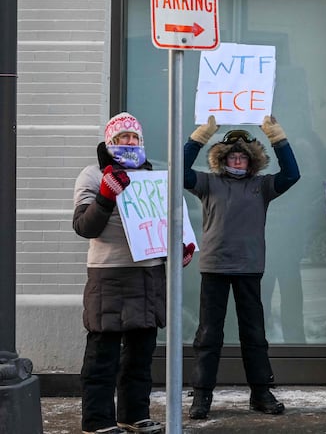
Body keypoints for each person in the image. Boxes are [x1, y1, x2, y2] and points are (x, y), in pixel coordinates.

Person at [184, 115, 301, 420]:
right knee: (209, 334)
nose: (237, 160)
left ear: (252, 162)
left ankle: (260, 393)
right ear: (223, 159)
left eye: (243, 157)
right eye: (232, 156)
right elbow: (180, 173)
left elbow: (291, 175)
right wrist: (198, 138)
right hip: (214, 267)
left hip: (249, 267)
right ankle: (201, 395)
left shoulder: (261, 186)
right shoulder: (208, 183)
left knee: (254, 334)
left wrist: (278, 138)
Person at [73, 113, 167, 434]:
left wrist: (178, 246)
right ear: (110, 142)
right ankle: (98, 421)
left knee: (141, 355)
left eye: (134, 138)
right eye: (122, 137)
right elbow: (85, 227)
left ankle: (134, 413)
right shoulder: (91, 174)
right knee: (103, 354)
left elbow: (165, 224)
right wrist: (105, 195)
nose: (129, 142)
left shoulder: (151, 178)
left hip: (148, 276)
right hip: (108, 274)